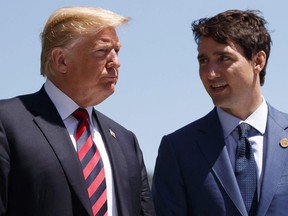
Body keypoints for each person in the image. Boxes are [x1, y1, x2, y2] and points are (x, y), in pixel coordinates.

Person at [0, 6, 155, 216]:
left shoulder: (126, 142)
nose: (116, 62)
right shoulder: (7, 122)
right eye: (102, 51)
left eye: (116, 51)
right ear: (61, 60)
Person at [152, 9, 288, 216]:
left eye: (224, 58)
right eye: (203, 60)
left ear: (258, 61)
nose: (210, 73)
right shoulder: (178, 149)